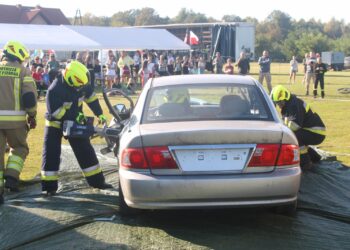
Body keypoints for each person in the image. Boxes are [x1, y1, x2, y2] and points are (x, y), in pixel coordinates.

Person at [41, 60, 112, 196]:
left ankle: (97, 182)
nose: (80, 89)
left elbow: (91, 99)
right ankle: (49, 188)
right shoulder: (54, 90)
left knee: (85, 150)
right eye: (78, 86)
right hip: (55, 124)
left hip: (74, 121)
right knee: (51, 154)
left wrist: (100, 114)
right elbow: (56, 113)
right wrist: (75, 116)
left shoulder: (83, 82)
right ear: (69, 79)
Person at [0, 41, 37, 205]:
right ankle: (12, 178)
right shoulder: (23, 71)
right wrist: (32, 115)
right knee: (20, 148)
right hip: (15, 123)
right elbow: (29, 96)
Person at [271, 85, 326, 170]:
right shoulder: (290, 103)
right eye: (277, 103)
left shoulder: (294, 105)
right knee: (298, 138)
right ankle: (315, 158)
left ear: (285, 98)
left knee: (294, 136)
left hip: (317, 133)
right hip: (313, 131)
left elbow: (295, 126)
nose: (279, 105)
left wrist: (281, 126)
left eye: (280, 102)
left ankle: (305, 163)